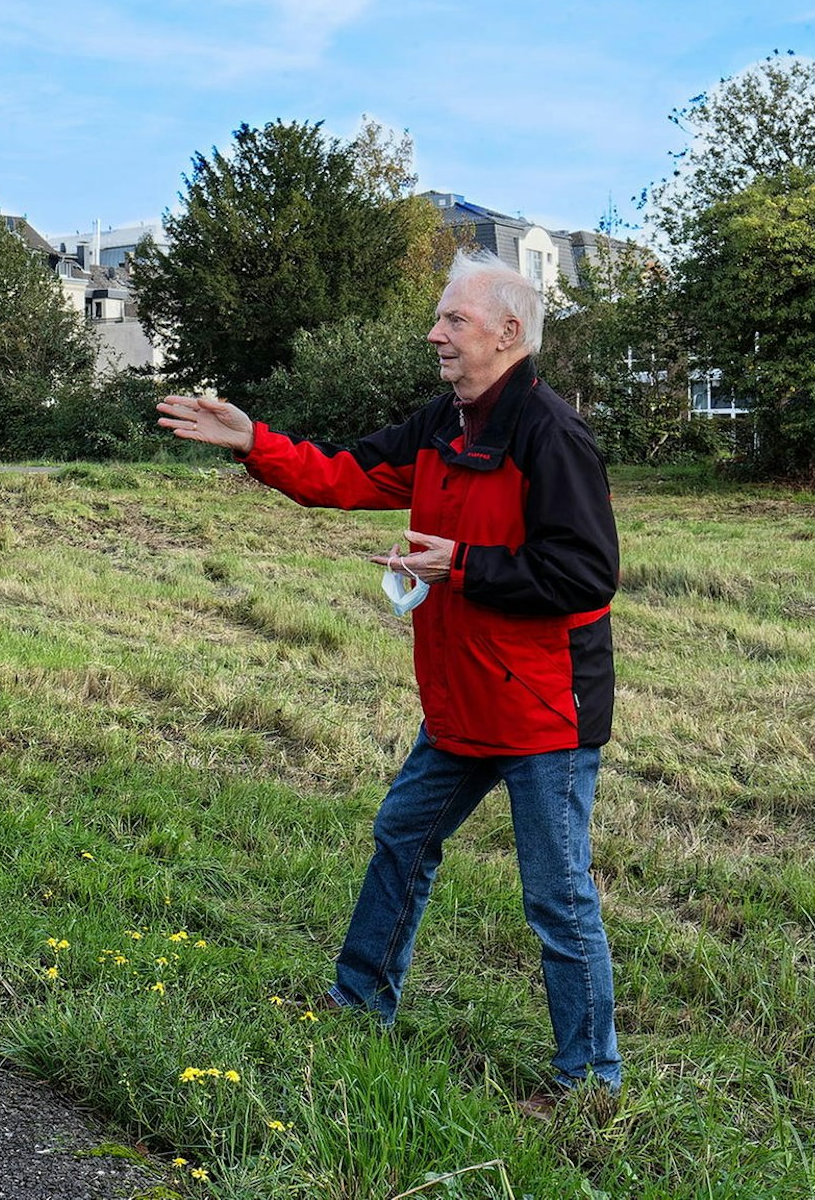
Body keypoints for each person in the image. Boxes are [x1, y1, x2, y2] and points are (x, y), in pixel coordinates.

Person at [157, 248, 621, 1111]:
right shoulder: (443, 422)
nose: (434, 333)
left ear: (508, 334)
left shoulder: (551, 433)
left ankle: (591, 1083)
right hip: (459, 702)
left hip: (543, 711)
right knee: (401, 837)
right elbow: (343, 477)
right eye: (440, 318)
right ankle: (359, 1000)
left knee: (556, 898)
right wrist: (253, 443)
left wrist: (469, 567)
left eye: (454, 320)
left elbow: (587, 575)